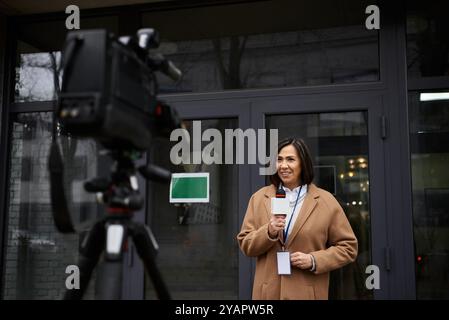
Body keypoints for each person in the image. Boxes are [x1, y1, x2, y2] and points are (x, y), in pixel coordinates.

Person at [237, 137, 358, 300]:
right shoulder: (259, 198)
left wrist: (314, 260)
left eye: (290, 159)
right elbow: (245, 244)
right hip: (268, 294)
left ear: (303, 164)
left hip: (307, 294)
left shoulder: (325, 201)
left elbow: (348, 248)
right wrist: (269, 231)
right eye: (279, 159)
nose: (283, 165)